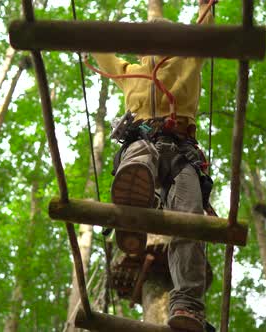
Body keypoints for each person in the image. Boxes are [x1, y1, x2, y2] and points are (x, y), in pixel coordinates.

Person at [90, 1, 215, 331]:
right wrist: (101, 29)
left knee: (189, 219)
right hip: (143, 141)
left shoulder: (189, 59)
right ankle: (134, 205)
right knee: (139, 157)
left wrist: (207, 5)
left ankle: (187, 305)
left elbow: (204, 30)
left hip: (182, 151)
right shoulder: (130, 71)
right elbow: (101, 52)